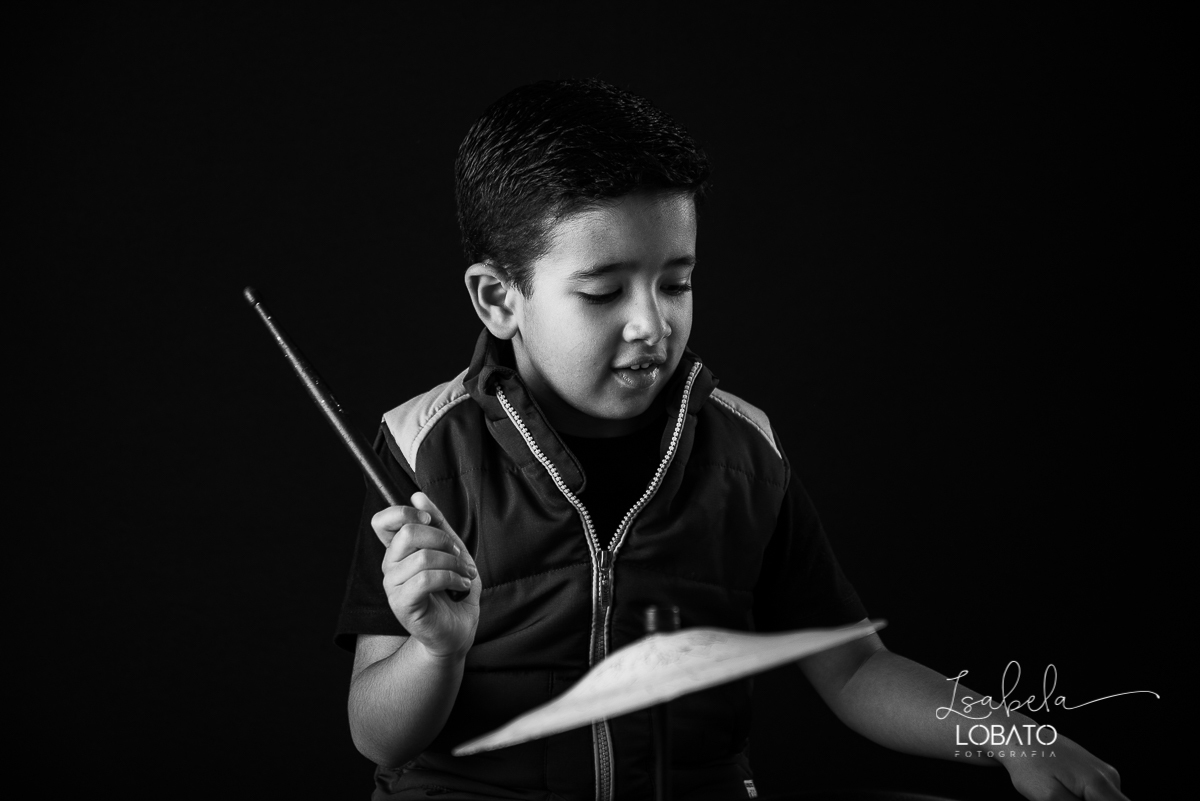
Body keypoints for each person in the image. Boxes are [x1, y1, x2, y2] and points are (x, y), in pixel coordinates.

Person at [335, 79, 1126, 801]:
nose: (652, 323)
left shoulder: (744, 451)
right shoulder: (424, 445)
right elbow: (375, 731)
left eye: (675, 282)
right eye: (605, 291)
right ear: (498, 298)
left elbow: (852, 666)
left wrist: (1011, 731)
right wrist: (435, 651)